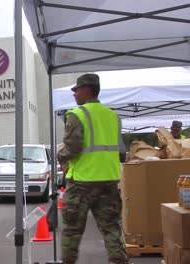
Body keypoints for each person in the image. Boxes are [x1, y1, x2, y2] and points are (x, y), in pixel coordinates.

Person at [58, 73, 128, 264]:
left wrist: (60, 155)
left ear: (86, 90)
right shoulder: (113, 117)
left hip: (82, 182)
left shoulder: (76, 115)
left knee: (72, 231)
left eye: (76, 90)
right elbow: (122, 152)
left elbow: (72, 148)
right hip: (109, 182)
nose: (74, 94)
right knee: (112, 229)